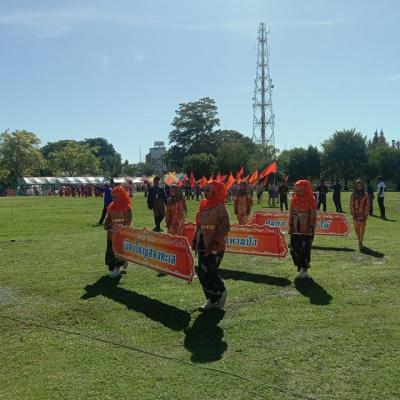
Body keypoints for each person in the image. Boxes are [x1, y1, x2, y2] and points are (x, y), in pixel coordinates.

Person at [192, 181, 230, 310]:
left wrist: (215, 243)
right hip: (202, 242)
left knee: (211, 271)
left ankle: (221, 292)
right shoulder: (203, 204)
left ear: (215, 191)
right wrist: (195, 240)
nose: (205, 192)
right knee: (202, 272)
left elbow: (225, 227)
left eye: (208, 190)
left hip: (215, 245)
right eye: (204, 189)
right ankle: (211, 299)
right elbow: (198, 225)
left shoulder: (220, 207)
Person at [289, 180, 317, 279]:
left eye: (300, 191)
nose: (298, 193)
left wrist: (310, 227)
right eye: (296, 190)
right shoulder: (294, 199)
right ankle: (299, 265)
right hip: (295, 227)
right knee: (293, 248)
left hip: (307, 228)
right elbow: (291, 213)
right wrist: (291, 225)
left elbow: (313, 215)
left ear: (306, 190)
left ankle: (304, 269)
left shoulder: (312, 199)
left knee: (305, 248)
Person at [104, 186, 132, 278]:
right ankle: (112, 268)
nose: (113, 199)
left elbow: (128, 221)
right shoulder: (111, 207)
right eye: (112, 197)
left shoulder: (127, 207)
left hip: (121, 234)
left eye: (115, 197)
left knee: (119, 251)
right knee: (110, 251)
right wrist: (106, 225)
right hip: (111, 234)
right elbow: (107, 219)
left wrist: (121, 229)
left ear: (121, 196)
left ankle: (118, 267)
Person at [350, 179, 370, 250]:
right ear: (355, 186)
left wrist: (365, 214)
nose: (359, 186)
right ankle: (359, 239)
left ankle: (360, 241)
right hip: (355, 215)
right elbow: (351, 205)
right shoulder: (353, 195)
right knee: (356, 229)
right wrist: (353, 213)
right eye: (357, 185)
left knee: (362, 229)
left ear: (362, 186)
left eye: (360, 185)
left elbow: (367, 205)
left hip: (363, 215)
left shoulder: (365, 194)